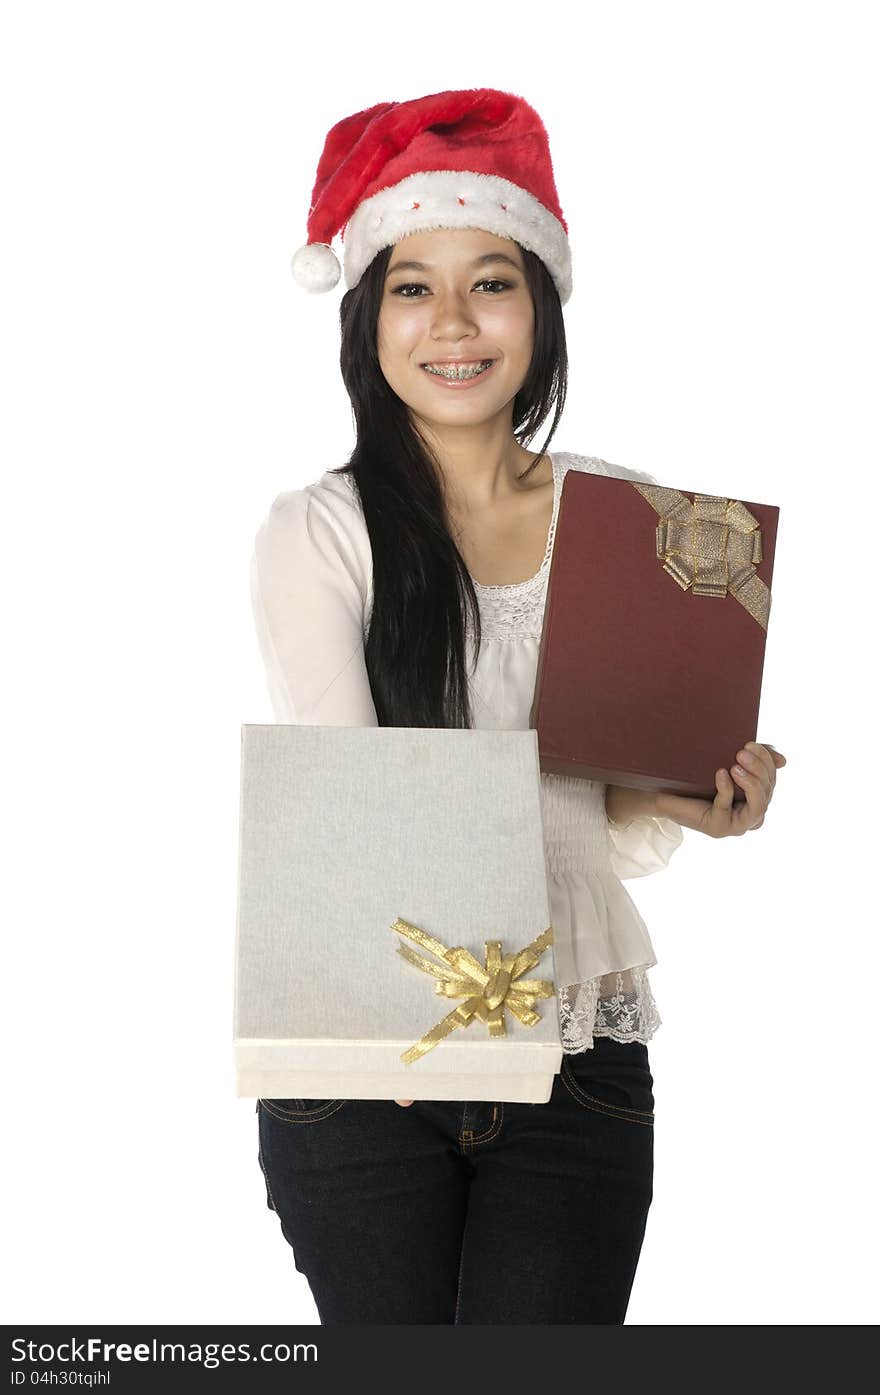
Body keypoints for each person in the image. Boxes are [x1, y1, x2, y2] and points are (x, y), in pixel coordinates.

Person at [248, 87, 786, 1325]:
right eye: (410, 286)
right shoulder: (319, 534)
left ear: (540, 309)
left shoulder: (631, 523)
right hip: (363, 1057)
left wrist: (689, 797)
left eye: (490, 282)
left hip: (576, 1055)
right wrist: (573, 779)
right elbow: (356, 798)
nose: (453, 323)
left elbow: (588, 779)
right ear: (366, 321)